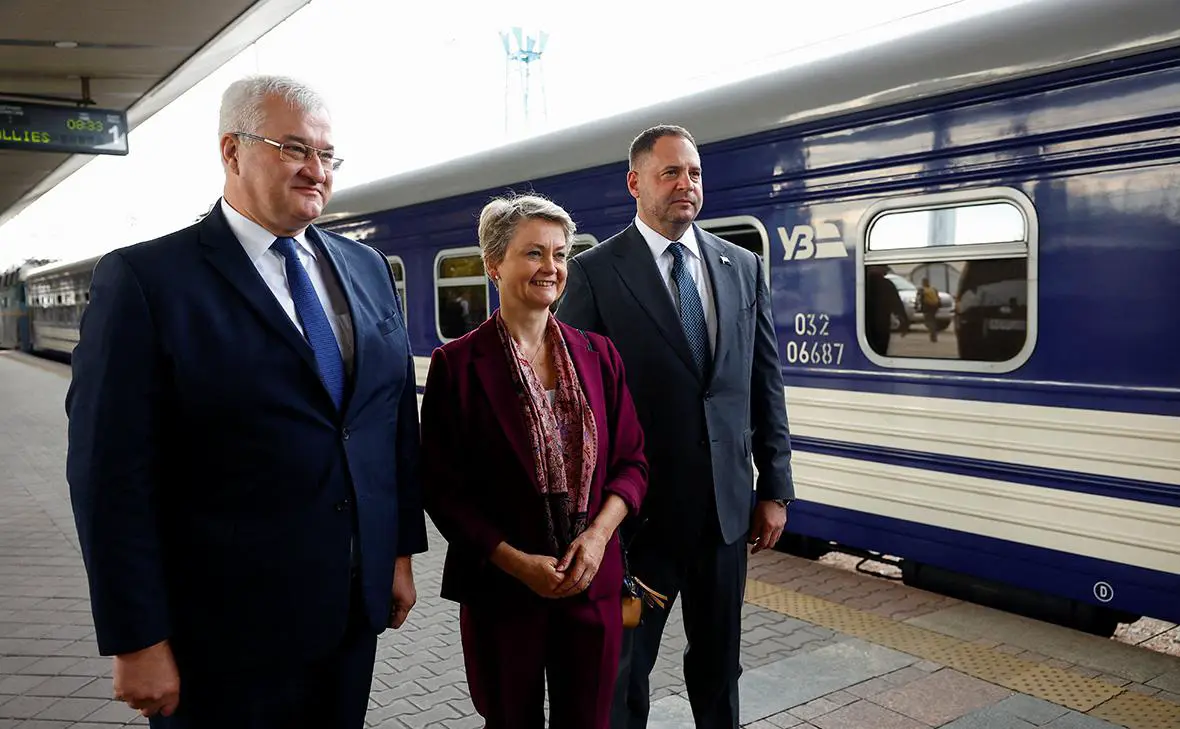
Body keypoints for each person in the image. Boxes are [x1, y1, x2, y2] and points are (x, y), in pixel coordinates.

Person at [65, 75, 426, 728]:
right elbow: (109, 476)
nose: (317, 170)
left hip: (350, 612)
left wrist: (398, 552)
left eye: (327, 154)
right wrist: (137, 637)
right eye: (294, 148)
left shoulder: (367, 268)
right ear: (231, 151)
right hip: (220, 635)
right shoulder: (147, 281)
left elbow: (390, 420)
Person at [557, 124, 795, 729]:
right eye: (670, 173)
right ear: (635, 183)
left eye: (694, 173)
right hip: (640, 524)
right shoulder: (594, 273)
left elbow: (763, 383)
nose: (686, 184)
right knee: (625, 666)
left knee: (719, 664)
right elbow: (579, 406)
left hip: (724, 519)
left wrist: (775, 488)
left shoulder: (741, 266)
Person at [419, 193, 649, 729]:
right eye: (533, 253)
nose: (551, 267)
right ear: (493, 264)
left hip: (590, 581)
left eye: (560, 254)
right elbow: (442, 490)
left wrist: (597, 539)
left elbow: (633, 463)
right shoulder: (457, 365)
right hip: (502, 590)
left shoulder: (599, 355)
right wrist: (518, 563)